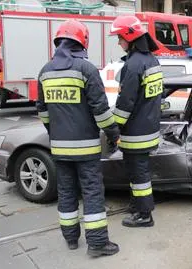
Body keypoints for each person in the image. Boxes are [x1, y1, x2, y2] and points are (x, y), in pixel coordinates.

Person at [36, 19, 120, 257]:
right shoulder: (86, 70)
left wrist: (55, 133)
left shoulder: (45, 71)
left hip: (60, 148)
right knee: (92, 192)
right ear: (82, 41)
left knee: (66, 191)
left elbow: (42, 110)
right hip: (86, 148)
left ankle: (71, 238)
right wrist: (113, 135)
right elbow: (101, 111)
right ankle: (97, 243)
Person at [109, 15, 162, 227]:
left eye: (120, 37)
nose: (118, 42)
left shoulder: (133, 65)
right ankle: (138, 205)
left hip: (135, 133)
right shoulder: (152, 61)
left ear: (130, 37)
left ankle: (144, 214)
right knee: (139, 172)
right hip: (149, 128)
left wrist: (113, 129)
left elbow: (125, 104)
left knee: (139, 175)